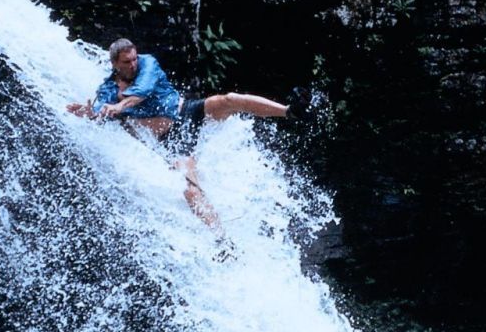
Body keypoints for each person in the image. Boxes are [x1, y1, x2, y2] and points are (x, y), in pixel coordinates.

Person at [66, 38, 311, 237]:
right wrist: (91, 113)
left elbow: (141, 92)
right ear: (115, 65)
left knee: (229, 99)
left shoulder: (147, 64)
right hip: (173, 140)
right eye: (127, 62)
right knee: (191, 190)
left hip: (188, 112)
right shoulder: (109, 89)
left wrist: (120, 106)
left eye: (134, 59)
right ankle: (222, 240)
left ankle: (289, 111)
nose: (133, 64)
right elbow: (103, 114)